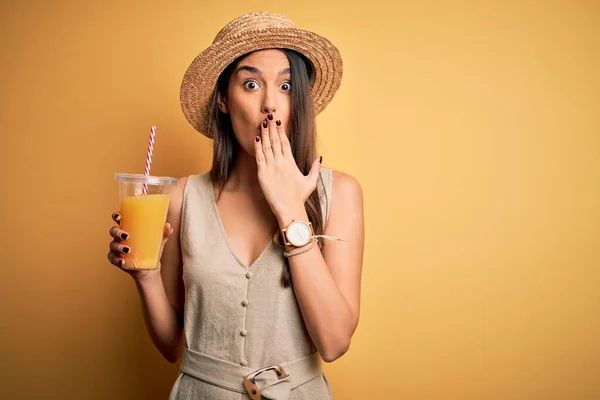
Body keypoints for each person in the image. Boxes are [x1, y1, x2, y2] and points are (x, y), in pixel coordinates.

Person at [108, 11, 364, 399]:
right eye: (250, 84)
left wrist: (290, 209)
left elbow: (334, 342)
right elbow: (170, 345)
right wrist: (145, 275)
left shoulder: (340, 193)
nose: (270, 105)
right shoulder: (180, 197)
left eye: (285, 85)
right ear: (224, 101)